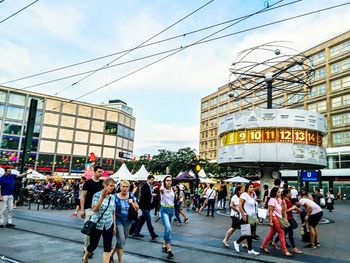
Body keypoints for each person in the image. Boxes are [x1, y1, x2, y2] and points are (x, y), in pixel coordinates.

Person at [82, 177, 116, 263]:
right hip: (97, 224)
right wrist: (102, 197)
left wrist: (114, 226)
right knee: (93, 245)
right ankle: (86, 255)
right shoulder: (97, 195)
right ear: (105, 185)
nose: (112, 187)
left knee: (108, 247)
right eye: (110, 186)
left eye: (113, 186)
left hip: (108, 224)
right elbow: (94, 209)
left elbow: (113, 212)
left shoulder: (113, 197)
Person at [110, 180, 139, 263]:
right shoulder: (114, 197)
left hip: (128, 221)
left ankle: (111, 254)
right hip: (119, 220)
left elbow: (137, 207)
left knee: (121, 240)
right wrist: (114, 225)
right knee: (121, 239)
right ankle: (120, 261)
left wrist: (132, 204)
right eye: (123, 186)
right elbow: (113, 212)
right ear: (120, 187)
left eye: (127, 187)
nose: (125, 188)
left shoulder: (131, 195)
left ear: (129, 188)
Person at [260, 187, 292, 257]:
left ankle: (263, 246)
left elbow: (283, 209)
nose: (280, 193)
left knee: (272, 233)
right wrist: (270, 221)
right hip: (274, 217)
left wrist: (283, 202)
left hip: (278, 217)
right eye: (278, 192)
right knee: (281, 233)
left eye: (280, 192)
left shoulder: (279, 200)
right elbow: (270, 211)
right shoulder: (272, 200)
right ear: (274, 193)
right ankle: (285, 250)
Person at [80, 166, 104, 256]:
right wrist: (82, 210)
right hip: (89, 209)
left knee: (96, 231)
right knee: (88, 229)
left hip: (99, 210)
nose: (100, 173)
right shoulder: (88, 183)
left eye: (101, 172)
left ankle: (90, 249)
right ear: (94, 172)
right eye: (99, 171)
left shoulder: (102, 183)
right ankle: (86, 249)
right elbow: (82, 196)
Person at [233, 182, 260, 256]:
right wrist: (243, 214)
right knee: (247, 233)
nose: (252, 188)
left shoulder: (252, 196)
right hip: (246, 216)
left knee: (250, 234)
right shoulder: (244, 194)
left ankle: (250, 249)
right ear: (247, 188)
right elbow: (240, 205)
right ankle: (237, 242)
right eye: (250, 187)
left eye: (253, 187)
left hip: (252, 217)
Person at [272, 189, 302, 254]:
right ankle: (293, 248)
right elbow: (284, 211)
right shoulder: (284, 201)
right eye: (289, 193)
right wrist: (292, 208)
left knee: (284, 232)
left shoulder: (289, 200)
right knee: (290, 233)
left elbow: (291, 208)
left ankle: (274, 242)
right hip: (286, 219)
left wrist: (295, 209)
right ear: (286, 194)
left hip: (290, 218)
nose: (291, 194)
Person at [134, 175, 158, 240]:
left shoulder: (150, 186)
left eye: (153, 180)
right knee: (148, 220)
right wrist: (151, 195)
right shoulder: (144, 186)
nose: (152, 181)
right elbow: (143, 196)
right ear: (148, 179)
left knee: (142, 220)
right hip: (144, 206)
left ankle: (136, 232)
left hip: (148, 206)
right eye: (151, 180)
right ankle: (153, 234)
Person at [159, 175, 175, 259]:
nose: (169, 182)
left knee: (167, 229)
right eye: (167, 180)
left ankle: (164, 245)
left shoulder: (172, 189)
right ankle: (169, 250)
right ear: (164, 182)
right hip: (164, 210)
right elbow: (161, 189)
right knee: (168, 228)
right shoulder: (163, 190)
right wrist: (162, 182)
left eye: (170, 180)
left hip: (171, 210)